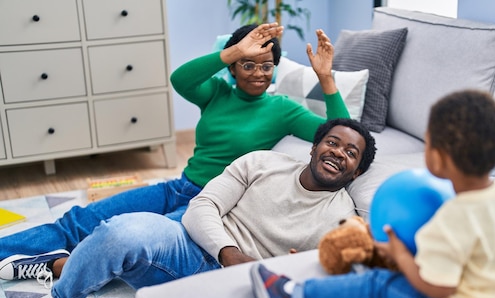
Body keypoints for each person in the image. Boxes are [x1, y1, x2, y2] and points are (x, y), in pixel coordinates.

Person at [0, 118, 377, 298]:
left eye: (351, 153)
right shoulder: (262, 163)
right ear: (314, 147)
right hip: (190, 250)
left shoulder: (344, 219)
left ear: (357, 172)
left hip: (239, 292)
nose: (338, 153)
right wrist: (229, 253)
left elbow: (314, 276)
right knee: (121, 230)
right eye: (332, 142)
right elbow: (201, 208)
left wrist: (279, 270)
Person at [0, 23, 350, 284]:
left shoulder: (283, 109)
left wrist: (326, 78)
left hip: (214, 202)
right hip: (178, 186)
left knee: (124, 239)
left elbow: (343, 132)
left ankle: (55, 266)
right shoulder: (215, 93)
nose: (258, 73)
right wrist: (233, 50)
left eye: (266, 66)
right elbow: (180, 79)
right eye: (248, 64)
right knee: (80, 220)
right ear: (232, 67)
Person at [250, 90, 495, 298]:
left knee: (379, 285)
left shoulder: (452, 219)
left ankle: (291, 296)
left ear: (437, 159)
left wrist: (400, 255)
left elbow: (438, 289)